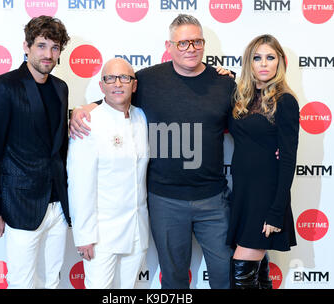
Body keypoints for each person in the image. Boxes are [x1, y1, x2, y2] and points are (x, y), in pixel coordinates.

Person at [70, 14, 235, 289]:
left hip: (213, 200)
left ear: (204, 45)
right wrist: (85, 109)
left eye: (196, 42)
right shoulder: (147, 80)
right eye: (182, 43)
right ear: (169, 46)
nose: (190, 48)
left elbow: (248, 119)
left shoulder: (225, 83)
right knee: (173, 279)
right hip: (165, 201)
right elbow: (116, 93)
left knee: (224, 274)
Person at [0, 16, 71, 289]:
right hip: (20, 203)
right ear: (26, 47)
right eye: (41, 46)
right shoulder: (3, 86)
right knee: (22, 282)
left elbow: (58, 147)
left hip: (58, 205)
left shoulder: (60, 88)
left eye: (54, 48)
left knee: (53, 280)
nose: (48, 54)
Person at [67, 58, 150, 289]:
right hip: (102, 235)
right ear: (101, 85)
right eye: (110, 78)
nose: (117, 84)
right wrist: (84, 236)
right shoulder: (88, 123)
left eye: (124, 78)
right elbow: (80, 183)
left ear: (134, 85)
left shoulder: (142, 117)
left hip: (137, 230)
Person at [226, 34, 299, 289]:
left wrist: (276, 211)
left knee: (242, 275)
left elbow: (288, 159)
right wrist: (222, 77)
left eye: (270, 57)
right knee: (259, 276)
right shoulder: (241, 98)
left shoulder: (285, 101)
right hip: (243, 194)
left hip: (265, 198)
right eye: (257, 58)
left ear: (280, 62)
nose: (264, 64)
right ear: (249, 62)